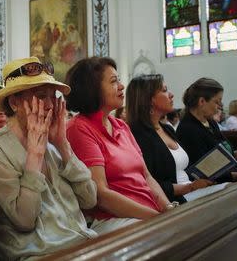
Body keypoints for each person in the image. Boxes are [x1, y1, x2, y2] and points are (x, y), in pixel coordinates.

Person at [0, 57, 97, 260]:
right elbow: (25, 220)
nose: (51, 105)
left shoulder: (53, 140)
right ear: (14, 102)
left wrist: (62, 144)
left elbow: (89, 199)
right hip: (40, 254)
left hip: (82, 242)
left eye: (53, 96)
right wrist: (34, 155)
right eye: (41, 96)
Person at [65, 57, 172, 234]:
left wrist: (168, 209)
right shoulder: (79, 128)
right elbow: (101, 195)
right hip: (114, 220)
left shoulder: (121, 126)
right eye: (114, 81)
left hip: (146, 215)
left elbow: (146, 176)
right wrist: (157, 219)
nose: (122, 86)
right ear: (93, 88)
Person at [126, 74, 214, 204]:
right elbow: (149, 184)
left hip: (190, 191)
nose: (171, 94)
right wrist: (190, 187)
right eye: (164, 90)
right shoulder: (138, 135)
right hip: (172, 200)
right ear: (149, 99)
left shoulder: (168, 129)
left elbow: (184, 169)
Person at [176, 78, 237, 182]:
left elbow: (223, 155)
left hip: (229, 174)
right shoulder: (187, 130)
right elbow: (202, 171)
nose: (219, 106)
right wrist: (236, 175)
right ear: (202, 101)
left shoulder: (211, 122)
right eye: (217, 101)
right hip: (213, 185)